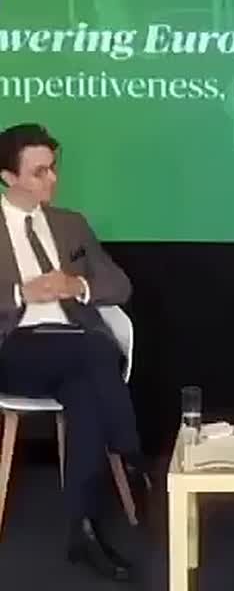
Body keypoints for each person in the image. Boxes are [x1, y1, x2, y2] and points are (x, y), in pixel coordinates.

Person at [0, 123, 148, 582]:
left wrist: (77, 285)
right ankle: (130, 451)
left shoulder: (70, 224)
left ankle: (82, 531)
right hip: (12, 349)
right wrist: (21, 293)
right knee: (95, 349)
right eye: (38, 172)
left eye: (53, 168)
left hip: (74, 350)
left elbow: (120, 284)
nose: (52, 179)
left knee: (86, 387)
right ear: (8, 177)